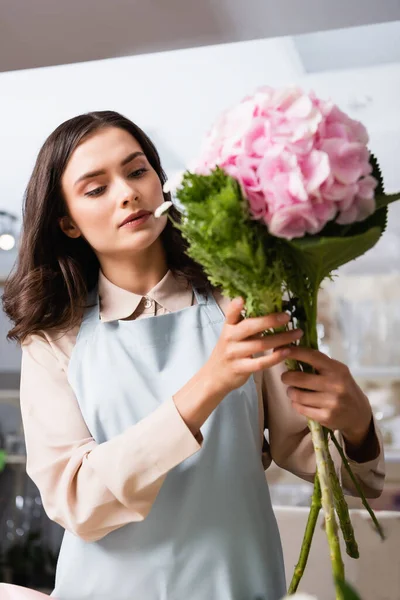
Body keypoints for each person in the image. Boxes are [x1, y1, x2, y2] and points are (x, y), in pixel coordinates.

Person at [2, 111, 385, 600]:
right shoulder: (52, 339)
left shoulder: (244, 300)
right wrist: (209, 383)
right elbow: (77, 502)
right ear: (68, 223)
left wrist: (356, 426)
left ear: (160, 182)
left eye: (137, 170)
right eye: (95, 189)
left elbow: (309, 456)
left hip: (237, 582)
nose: (128, 193)